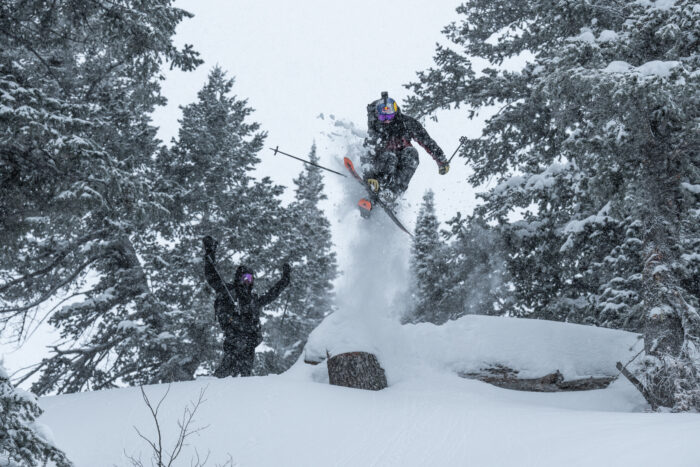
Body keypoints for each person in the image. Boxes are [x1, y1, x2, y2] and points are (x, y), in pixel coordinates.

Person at [202, 235, 291, 378]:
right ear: (238, 278)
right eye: (244, 278)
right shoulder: (229, 291)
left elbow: (271, 295)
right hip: (234, 338)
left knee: (245, 376)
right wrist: (210, 253)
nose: (247, 282)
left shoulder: (252, 299)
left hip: (250, 342)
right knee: (226, 370)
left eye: (250, 279)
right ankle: (211, 387)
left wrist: (284, 280)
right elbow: (212, 277)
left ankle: (241, 396)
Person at [360, 92, 449, 212]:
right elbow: (368, 151)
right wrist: (369, 175)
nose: (386, 121)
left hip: (398, 169)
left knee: (411, 153)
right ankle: (375, 192)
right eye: (383, 117)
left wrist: (441, 160)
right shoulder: (376, 127)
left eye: (389, 116)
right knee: (390, 156)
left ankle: (392, 193)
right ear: (377, 115)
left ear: (395, 112)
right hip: (379, 167)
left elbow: (426, 140)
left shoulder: (406, 123)